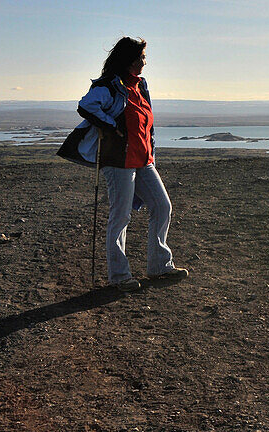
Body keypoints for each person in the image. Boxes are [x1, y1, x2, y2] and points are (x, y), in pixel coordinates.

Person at [58, 37, 188, 291]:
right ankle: (119, 276)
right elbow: (86, 106)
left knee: (162, 207)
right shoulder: (109, 86)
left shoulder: (140, 86)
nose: (144, 62)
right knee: (120, 217)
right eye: (141, 58)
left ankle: (159, 265)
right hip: (118, 160)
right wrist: (111, 125)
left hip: (143, 159)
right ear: (128, 59)